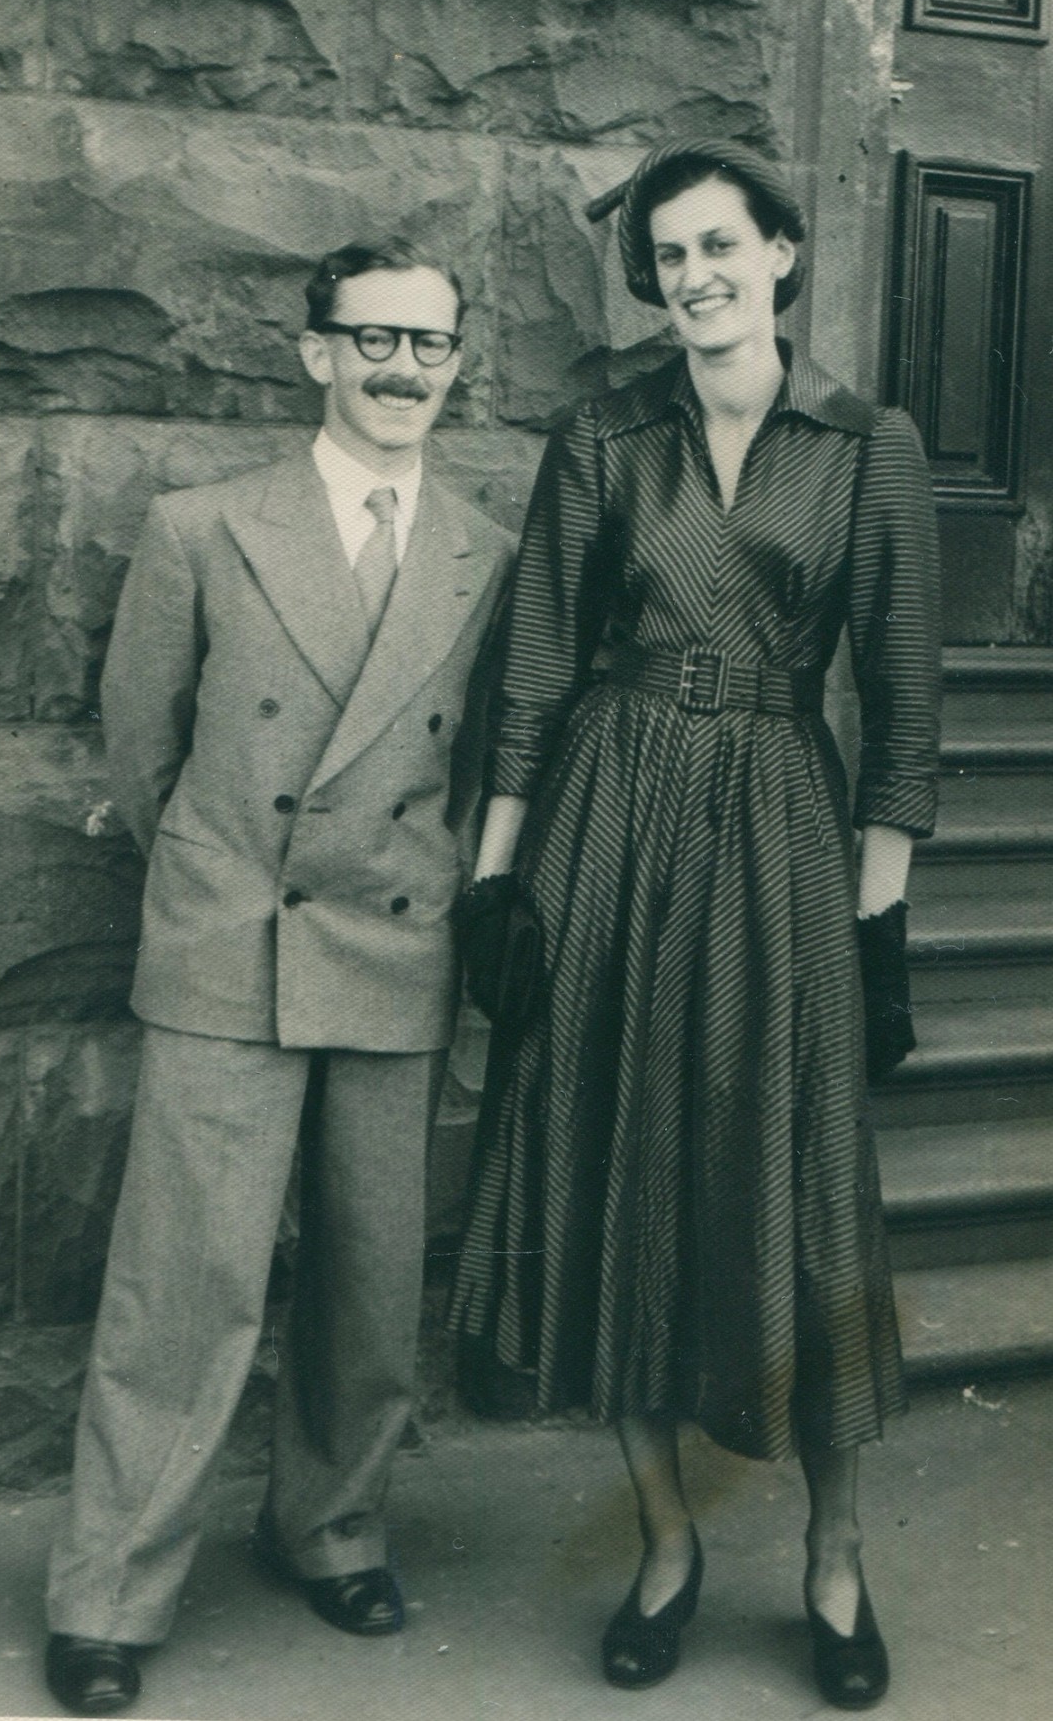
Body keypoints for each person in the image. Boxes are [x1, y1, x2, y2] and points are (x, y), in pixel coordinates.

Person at [450, 139, 940, 1707]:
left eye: (721, 245)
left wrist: (879, 925)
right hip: (608, 821)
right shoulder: (606, 432)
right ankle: (667, 1544)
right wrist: (495, 882)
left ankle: (836, 1558)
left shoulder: (867, 444)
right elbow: (538, 664)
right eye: (669, 256)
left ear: (782, 253)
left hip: (781, 826)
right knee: (611, 1160)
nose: (695, 277)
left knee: (799, 1186)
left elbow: (905, 708)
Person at [44, 239, 514, 1716]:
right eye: (372, 339)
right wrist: (221, 885)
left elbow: (479, 762)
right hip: (231, 941)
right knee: (183, 1289)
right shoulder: (202, 527)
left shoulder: (487, 552)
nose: (400, 369)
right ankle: (110, 1590)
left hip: (394, 939)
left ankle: (332, 1526)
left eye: (428, 345)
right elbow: (146, 747)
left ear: (456, 365)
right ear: (316, 353)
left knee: (372, 1283)